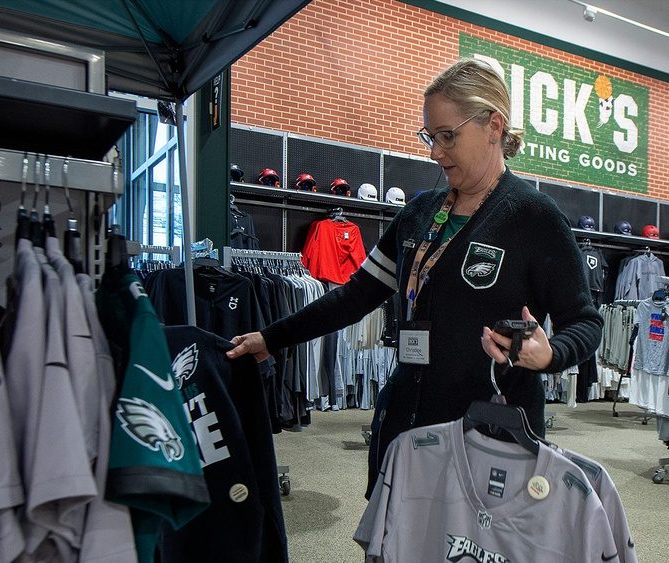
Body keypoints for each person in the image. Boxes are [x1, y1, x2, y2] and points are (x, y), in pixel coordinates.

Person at [227, 58, 602, 497]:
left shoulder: (534, 218)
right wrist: (271, 338)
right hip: (406, 424)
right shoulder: (421, 212)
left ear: (494, 126)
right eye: (430, 136)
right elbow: (356, 295)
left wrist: (550, 353)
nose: (434, 152)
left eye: (448, 136)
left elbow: (586, 322)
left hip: (490, 439)